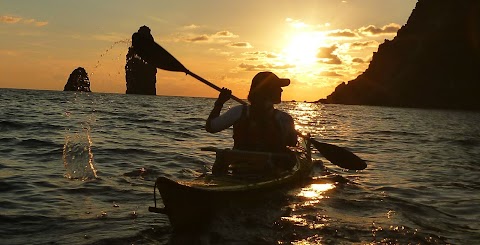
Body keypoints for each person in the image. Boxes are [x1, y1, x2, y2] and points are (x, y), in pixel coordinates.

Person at [206, 71, 297, 153]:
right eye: (277, 87)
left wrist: (220, 102)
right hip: (271, 169)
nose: (281, 90)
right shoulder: (284, 119)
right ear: (268, 90)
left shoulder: (239, 112)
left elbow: (211, 127)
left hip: (240, 168)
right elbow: (292, 142)